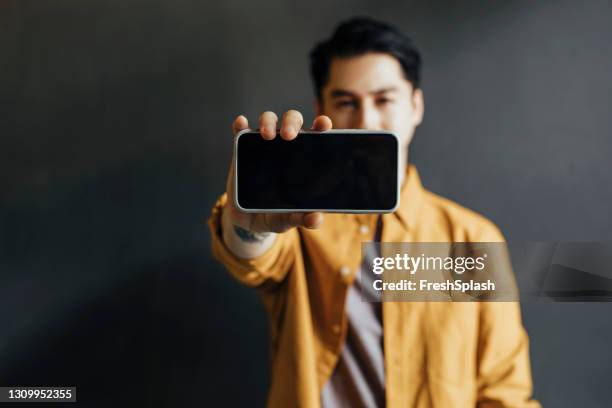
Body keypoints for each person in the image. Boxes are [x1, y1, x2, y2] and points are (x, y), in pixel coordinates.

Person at [208, 17, 540, 408]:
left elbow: (504, 391)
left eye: (384, 100)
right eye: (346, 102)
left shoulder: (472, 239)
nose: (365, 120)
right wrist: (250, 226)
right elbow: (253, 259)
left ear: (415, 105)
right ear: (321, 110)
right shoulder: (297, 223)